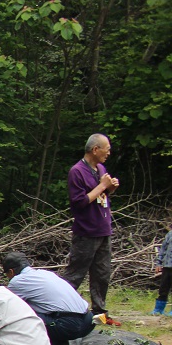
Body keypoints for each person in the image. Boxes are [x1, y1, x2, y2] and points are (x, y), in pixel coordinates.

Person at [63, 133, 121, 323]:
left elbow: (100, 195)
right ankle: (60, 308)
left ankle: (100, 312)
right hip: (86, 232)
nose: (109, 153)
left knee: (102, 274)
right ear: (95, 149)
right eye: (107, 149)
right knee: (75, 274)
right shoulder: (77, 171)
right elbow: (79, 202)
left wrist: (109, 188)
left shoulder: (100, 168)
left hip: (103, 229)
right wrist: (102, 185)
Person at [0, 252, 94, 345]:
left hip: (71, 326)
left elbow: (7, 306)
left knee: (20, 315)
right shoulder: (45, 273)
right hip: (89, 320)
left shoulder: (17, 281)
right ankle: (59, 342)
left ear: (11, 271)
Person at [155, 221, 172, 316]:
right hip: (167, 266)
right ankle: (158, 309)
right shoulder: (170, 234)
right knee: (163, 288)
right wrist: (159, 263)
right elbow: (163, 249)